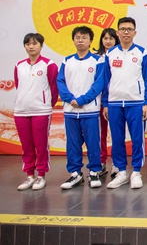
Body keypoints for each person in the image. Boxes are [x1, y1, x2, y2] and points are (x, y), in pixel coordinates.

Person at [103, 17, 147, 189]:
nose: (126, 32)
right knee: (117, 139)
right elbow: (106, 80)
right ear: (117, 32)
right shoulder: (110, 53)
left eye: (129, 29)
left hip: (136, 103)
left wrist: (146, 103)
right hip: (114, 103)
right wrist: (105, 103)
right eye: (123, 29)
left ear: (134, 33)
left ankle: (136, 172)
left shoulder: (142, 53)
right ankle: (122, 172)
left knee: (137, 139)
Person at [57, 26, 106, 189]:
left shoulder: (97, 60)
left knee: (93, 143)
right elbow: (60, 82)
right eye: (77, 37)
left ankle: (94, 172)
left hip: (90, 110)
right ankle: (75, 174)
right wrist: (70, 99)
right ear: (73, 40)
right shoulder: (67, 61)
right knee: (72, 143)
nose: (80, 40)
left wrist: (83, 100)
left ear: (90, 41)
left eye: (84, 37)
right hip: (70, 110)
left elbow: (99, 84)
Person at [14, 33, 58, 191]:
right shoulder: (19, 65)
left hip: (41, 111)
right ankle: (29, 175)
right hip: (21, 111)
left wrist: (46, 104)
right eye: (28, 44)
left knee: (41, 144)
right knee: (26, 145)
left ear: (41, 45)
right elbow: (18, 85)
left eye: (34, 43)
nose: (31, 46)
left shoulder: (49, 65)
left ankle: (41, 175)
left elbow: (54, 88)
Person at [95, 28, 119, 178]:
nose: (108, 41)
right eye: (105, 38)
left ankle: (117, 163)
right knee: (100, 134)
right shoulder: (96, 58)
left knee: (116, 133)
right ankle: (101, 161)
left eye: (111, 38)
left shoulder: (120, 55)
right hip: (98, 102)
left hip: (115, 100)